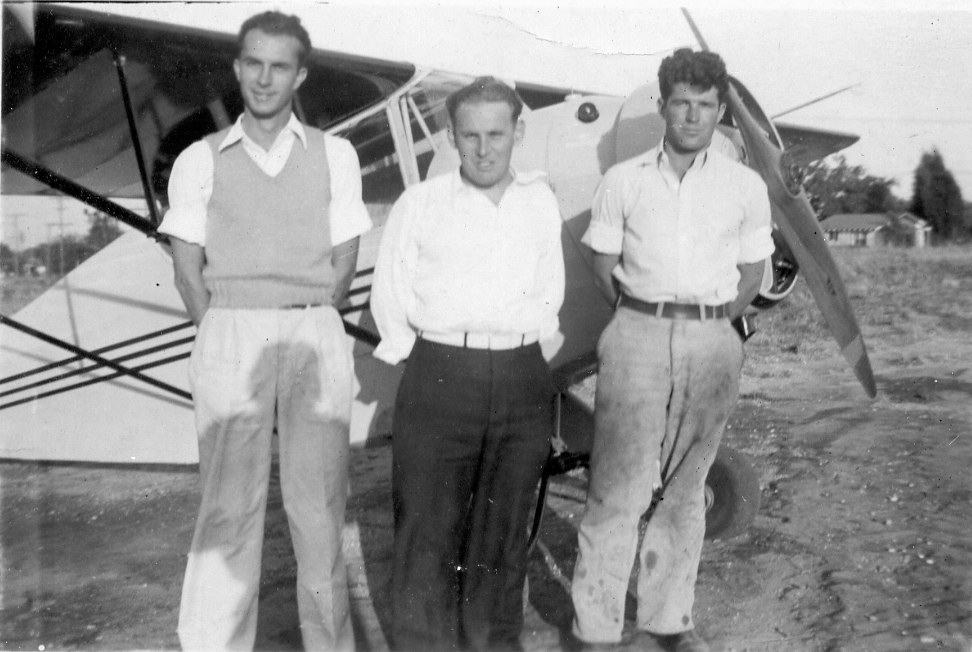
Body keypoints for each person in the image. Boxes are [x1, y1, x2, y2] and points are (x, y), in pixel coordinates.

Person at [158, 11, 371, 650]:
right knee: (227, 508)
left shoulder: (336, 155)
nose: (264, 78)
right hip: (231, 333)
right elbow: (188, 271)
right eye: (253, 63)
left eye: (280, 66)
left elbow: (342, 266)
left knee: (318, 510)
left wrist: (296, 315)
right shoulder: (199, 160)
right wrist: (231, 325)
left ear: (300, 74)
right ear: (237, 68)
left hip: (312, 332)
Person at [569, 49, 774, 652]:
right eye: (681, 102)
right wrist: (645, 317)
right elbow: (602, 263)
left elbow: (752, 269)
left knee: (686, 492)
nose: (692, 115)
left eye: (706, 105)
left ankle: (667, 624)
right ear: (662, 105)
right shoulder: (623, 180)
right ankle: (597, 631)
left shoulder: (744, 186)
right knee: (616, 490)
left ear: (719, 113)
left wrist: (709, 323)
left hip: (713, 340)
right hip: (636, 333)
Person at [370, 76, 565, 651]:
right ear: (453, 137)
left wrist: (522, 358)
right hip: (439, 374)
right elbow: (390, 294)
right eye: (470, 136)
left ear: (518, 133)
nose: (483, 149)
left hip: (521, 375)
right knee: (426, 537)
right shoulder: (420, 203)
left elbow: (549, 292)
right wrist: (435, 362)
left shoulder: (539, 201)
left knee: (502, 539)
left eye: (496, 135)